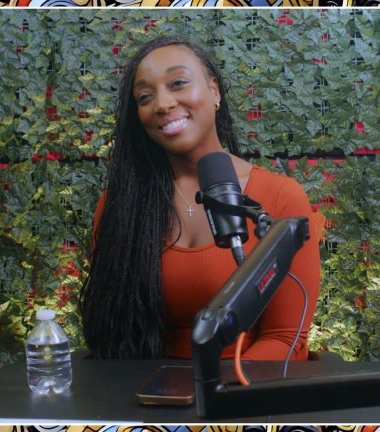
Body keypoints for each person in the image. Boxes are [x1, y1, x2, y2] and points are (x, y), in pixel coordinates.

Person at [81, 35, 323, 361]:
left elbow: (285, 338)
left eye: (178, 83)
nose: (162, 104)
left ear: (214, 91)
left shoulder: (281, 197)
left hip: (244, 387)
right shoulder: (120, 205)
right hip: (145, 387)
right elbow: (109, 333)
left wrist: (216, 388)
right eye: (145, 97)